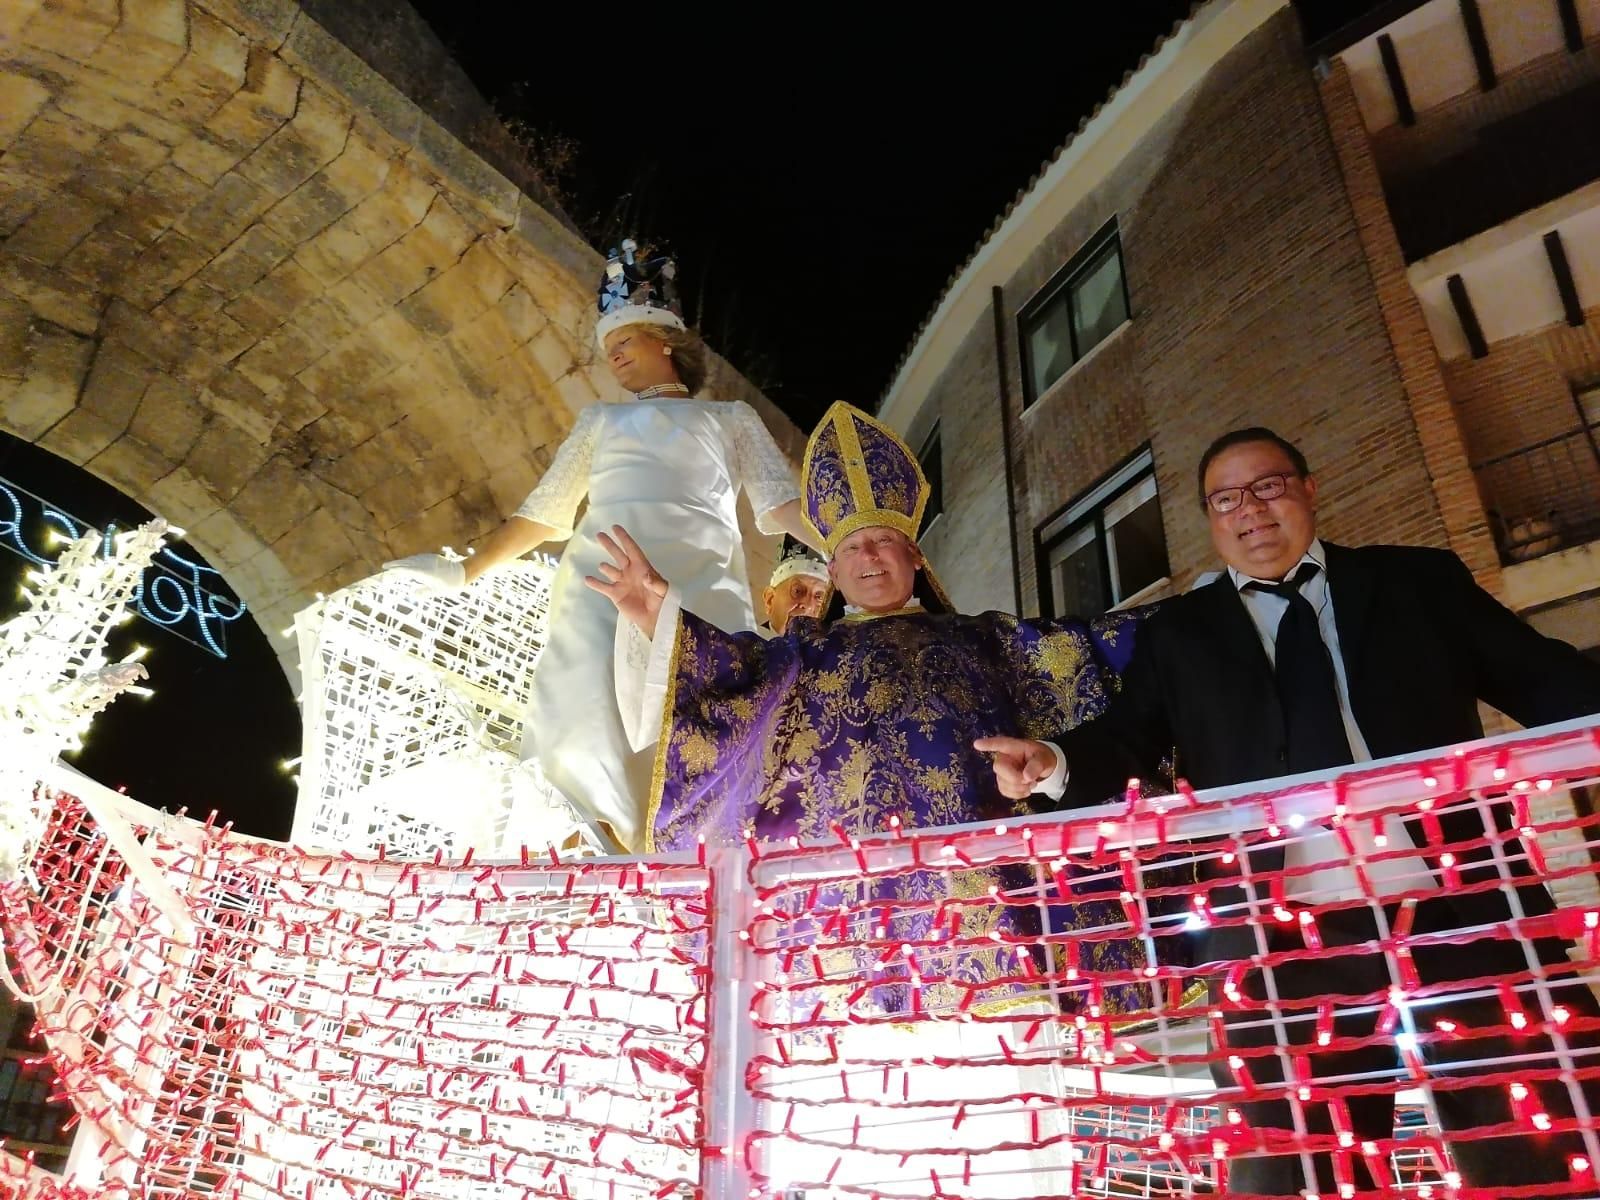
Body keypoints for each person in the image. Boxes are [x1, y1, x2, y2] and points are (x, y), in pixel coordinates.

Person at [980, 426, 1600, 1194]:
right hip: (1281, 939)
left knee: (1529, 1140)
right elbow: (1128, 738)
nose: (1252, 511)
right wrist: (1053, 763)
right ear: (1211, 520)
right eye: (1227, 499)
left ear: (1309, 489)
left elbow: (1543, 681)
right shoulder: (1179, 634)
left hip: (1462, 902)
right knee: (1297, 1164)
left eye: (1269, 486)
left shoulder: (1417, 584)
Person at [384, 241, 812, 853]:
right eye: (608, 348)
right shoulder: (600, 423)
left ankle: (682, 859)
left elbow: (780, 505)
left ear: (665, 342)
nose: (613, 356)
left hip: (698, 591)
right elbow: (544, 511)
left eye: (625, 341)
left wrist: (855, 541)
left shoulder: (730, 419)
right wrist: (464, 571)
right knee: (586, 724)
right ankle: (585, 860)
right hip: (598, 586)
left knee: (694, 722)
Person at [758, 536, 830, 635]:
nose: (808, 606)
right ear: (770, 599)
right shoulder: (740, 647)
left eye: (819, 597)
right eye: (797, 591)